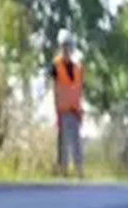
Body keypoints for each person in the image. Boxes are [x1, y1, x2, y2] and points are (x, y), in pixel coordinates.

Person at [50, 29, 85, 178]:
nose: (66, 49)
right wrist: (56, 110)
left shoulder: (77, 68)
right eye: (64, 46)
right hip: (62, 110)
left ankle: (79, 171)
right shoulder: (55, 66)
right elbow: (54, 87)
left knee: (76, 142)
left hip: (75, 111)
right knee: (63, 143)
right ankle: (63, 172)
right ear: (60, 47)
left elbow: (79, 90)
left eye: (68, 46)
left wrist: (81, 109)